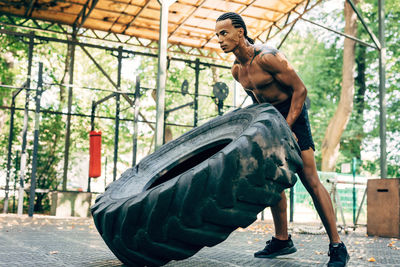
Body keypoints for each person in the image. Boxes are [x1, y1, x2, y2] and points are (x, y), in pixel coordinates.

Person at [215, 12, 350, 267]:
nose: (219, 39)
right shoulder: (237, 71)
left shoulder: (268, 57)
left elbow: (300, 90)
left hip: (293, 114)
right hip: (271, 121)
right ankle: (282, 239)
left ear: (240, 32)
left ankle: (337, 245)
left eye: (224, 33)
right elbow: (258, 101)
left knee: (310, 179)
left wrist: (287, 128)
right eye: (217, 35)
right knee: (273, 181)